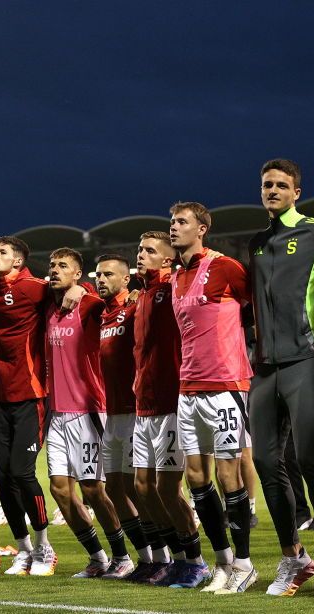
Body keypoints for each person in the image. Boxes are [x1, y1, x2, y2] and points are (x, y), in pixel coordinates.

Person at [247, 159, 314, 596]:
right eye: (267, 184)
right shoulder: (256, 242)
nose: (272, 190)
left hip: (305, 359)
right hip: (264, 367)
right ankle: (294, 557)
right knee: (267, 463)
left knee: (310, 458)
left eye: (281, 185)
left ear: (296, 193)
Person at [0, 236, 86, 576]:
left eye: (2, 253)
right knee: (2, 476)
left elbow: (73, 292)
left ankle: (45, 548)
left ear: (18, 260)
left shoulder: (35, 288)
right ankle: (24, 550)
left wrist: (81, 289)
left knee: (22, 472)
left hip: (31, 395)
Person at [168, 202, 257, 593]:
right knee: (196, 477)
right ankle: (222, 563)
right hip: (187, 389)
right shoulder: (175, 276)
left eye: (182, 222)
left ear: (202, 229)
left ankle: (244, 563)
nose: (174, 227)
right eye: (172, 221)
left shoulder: (224, 267)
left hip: (225, 385)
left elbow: (256, 308)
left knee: (227, 474)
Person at [43, 247, 131, 579]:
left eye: (62, 266)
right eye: (52, 264)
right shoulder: (49, 309)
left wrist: (86, 290)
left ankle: (123, 556)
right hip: (57, 414)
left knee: (94, 489)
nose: (54, 269)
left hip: (89, 411)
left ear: (78, 274)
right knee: (60, 489)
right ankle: (97, 557)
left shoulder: (90, 305)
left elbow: (113, 304)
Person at [127, 231, 194, 585]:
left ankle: (193, 560)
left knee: (168, 489)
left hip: (170, 401)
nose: (141, 254)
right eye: (140, 248)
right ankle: (171, 557)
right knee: (142, 487)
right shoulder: (145, 294)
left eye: (149, 250)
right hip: (144, 403)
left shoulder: (172, 287)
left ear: (167, 259)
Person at [95, 253, 153, 575]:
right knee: (115, 490)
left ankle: (165, 556)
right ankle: (145, 557)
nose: (100, 279)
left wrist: (140, 294)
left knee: (137, 488)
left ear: (125, 278)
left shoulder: (134, 307)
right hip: (112, 414)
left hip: (135, 412)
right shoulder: (102, 314)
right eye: (98, 275)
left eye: (108, 274)